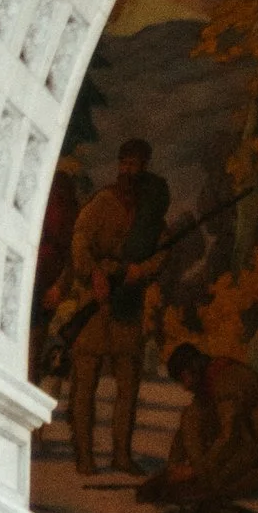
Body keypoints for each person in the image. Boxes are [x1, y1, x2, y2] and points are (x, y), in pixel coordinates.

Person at [64, 135, 173, 477]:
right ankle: (84, 456)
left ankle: (121, 457)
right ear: (119, 165)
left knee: (129, 385)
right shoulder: (101, 203)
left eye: (135, 164)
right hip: (96, 304)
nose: (129, 170)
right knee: (85, 384)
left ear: (144, 167)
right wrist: (94, 272)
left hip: (128, 303)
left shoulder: (151, 211)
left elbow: (162, 250)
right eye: (125, 163)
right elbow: (80, 242)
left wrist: (144, 270)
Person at [137, 342, 258, 513]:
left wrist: (196, 470)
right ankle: (203, 478)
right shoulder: (206, 382)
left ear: (193, 368)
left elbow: (229, 435)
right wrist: (174, 467)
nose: (184, 386)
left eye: (183, 378)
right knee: (191, 416)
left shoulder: (227, 382)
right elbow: (186, 431)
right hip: (238, 432)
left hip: (257, 434)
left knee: (219, 485)